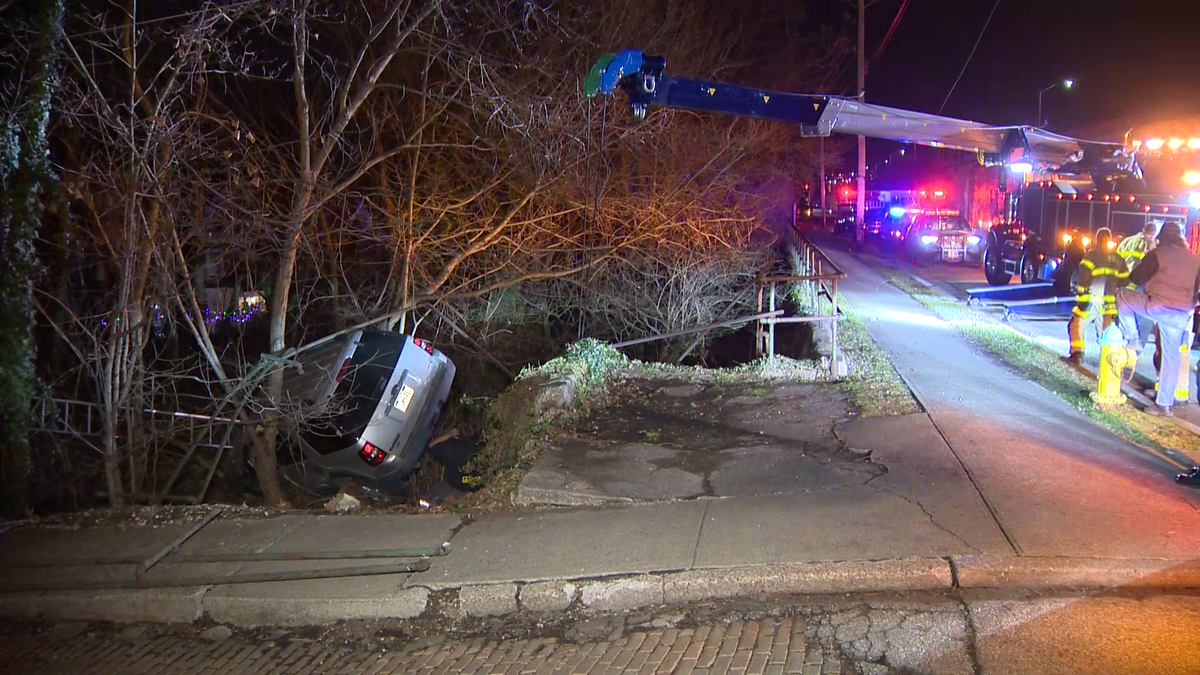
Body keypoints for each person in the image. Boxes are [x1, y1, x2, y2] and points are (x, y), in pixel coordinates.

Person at [1115, 222, 1200, 420]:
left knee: (1122, 296)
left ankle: (1133, 339)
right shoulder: (1195, 259)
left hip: (1158, 306)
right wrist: (1191, 304)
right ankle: (1164, 407)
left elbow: (1136, 277)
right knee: (1171, 359)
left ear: (1161, 237)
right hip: (1180, 314)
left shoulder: (1158, 254)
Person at [1064, 228, 1126, 364]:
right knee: (1106, 332)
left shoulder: (1091, 256)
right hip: (1108, 304)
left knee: (1075, 325)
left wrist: (1080, 295)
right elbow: (1125, 280)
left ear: (1097, 240)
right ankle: (1108, 359)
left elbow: (1083, 277)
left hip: (1091, 300)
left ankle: (1077, 354)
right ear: (1109, 239)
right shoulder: (1118, 258)